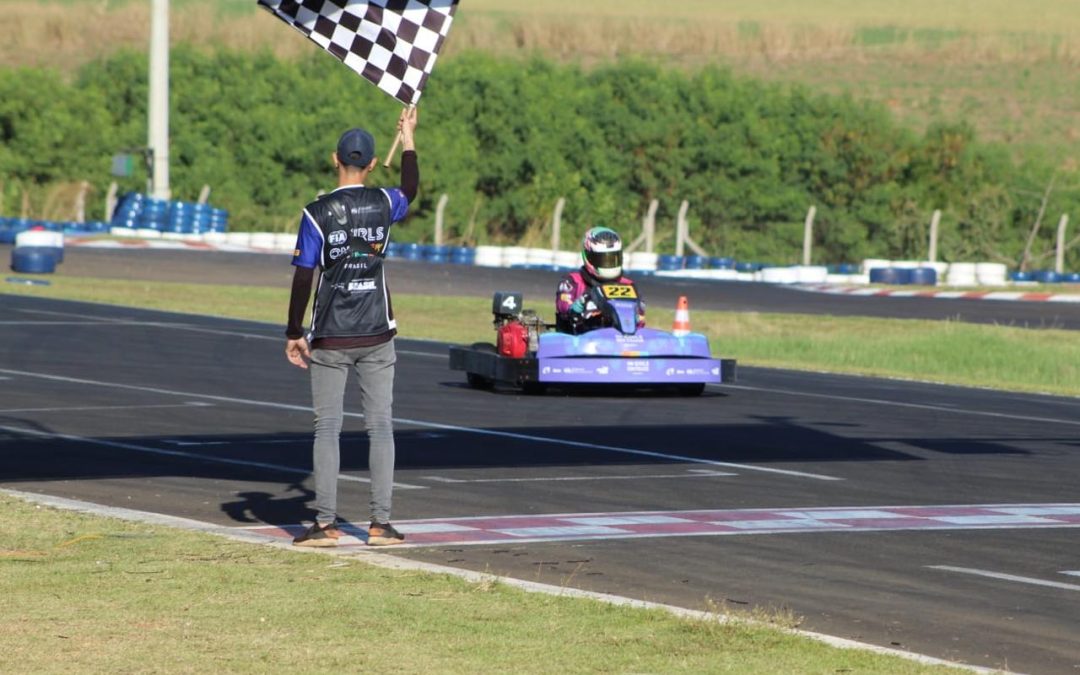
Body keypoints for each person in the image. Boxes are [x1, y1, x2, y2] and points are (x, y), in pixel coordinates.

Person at [284, 108, 418, 547]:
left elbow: (304, 275)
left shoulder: (316, 213)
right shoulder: (384, 202)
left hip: (331, 335)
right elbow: (411, 189)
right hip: (378, 332)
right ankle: (380, 523)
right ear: (373, 163)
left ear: (334, 158)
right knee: (380, 427)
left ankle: (325, 524)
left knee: (328, 428)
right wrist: (410, 139)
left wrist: (292, 331)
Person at [555, 226, 645, 334]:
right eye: (603, 260)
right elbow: (563, 308)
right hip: (580, 337)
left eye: (612, 259)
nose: (608, 264)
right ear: (588, 256)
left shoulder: (628, 285)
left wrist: (635, 317)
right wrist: (578, 306)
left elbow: (640, 321)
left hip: (619, 340)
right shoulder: (573, 281)